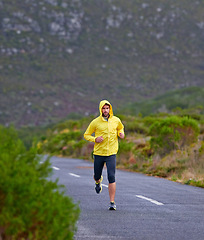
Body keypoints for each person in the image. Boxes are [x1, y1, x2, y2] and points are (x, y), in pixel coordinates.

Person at [84, 100, 125, 210]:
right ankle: (98, 182)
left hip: (111, 153)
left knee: (111, 176)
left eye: (107, 108)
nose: (105, 110)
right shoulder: (95, 122)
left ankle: (112, 202)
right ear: (100, 109)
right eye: (103, 108)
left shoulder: (116, 120)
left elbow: (120, 127)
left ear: (110, 109)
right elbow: (86, 135)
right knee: (97, 175)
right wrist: (95, 139)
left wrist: (121, 133)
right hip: (98, 153)